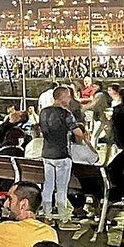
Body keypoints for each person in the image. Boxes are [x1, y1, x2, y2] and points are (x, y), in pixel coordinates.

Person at [40, 86, 84, 224]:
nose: (70, 99)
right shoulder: (66, 114)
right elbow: (78, 133)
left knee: (48, 185)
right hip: (62, 154)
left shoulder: (43, 112)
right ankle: (63, 216)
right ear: (63, 97)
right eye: (68, 96)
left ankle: (47, 214)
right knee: (61, 188)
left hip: (47, 153)